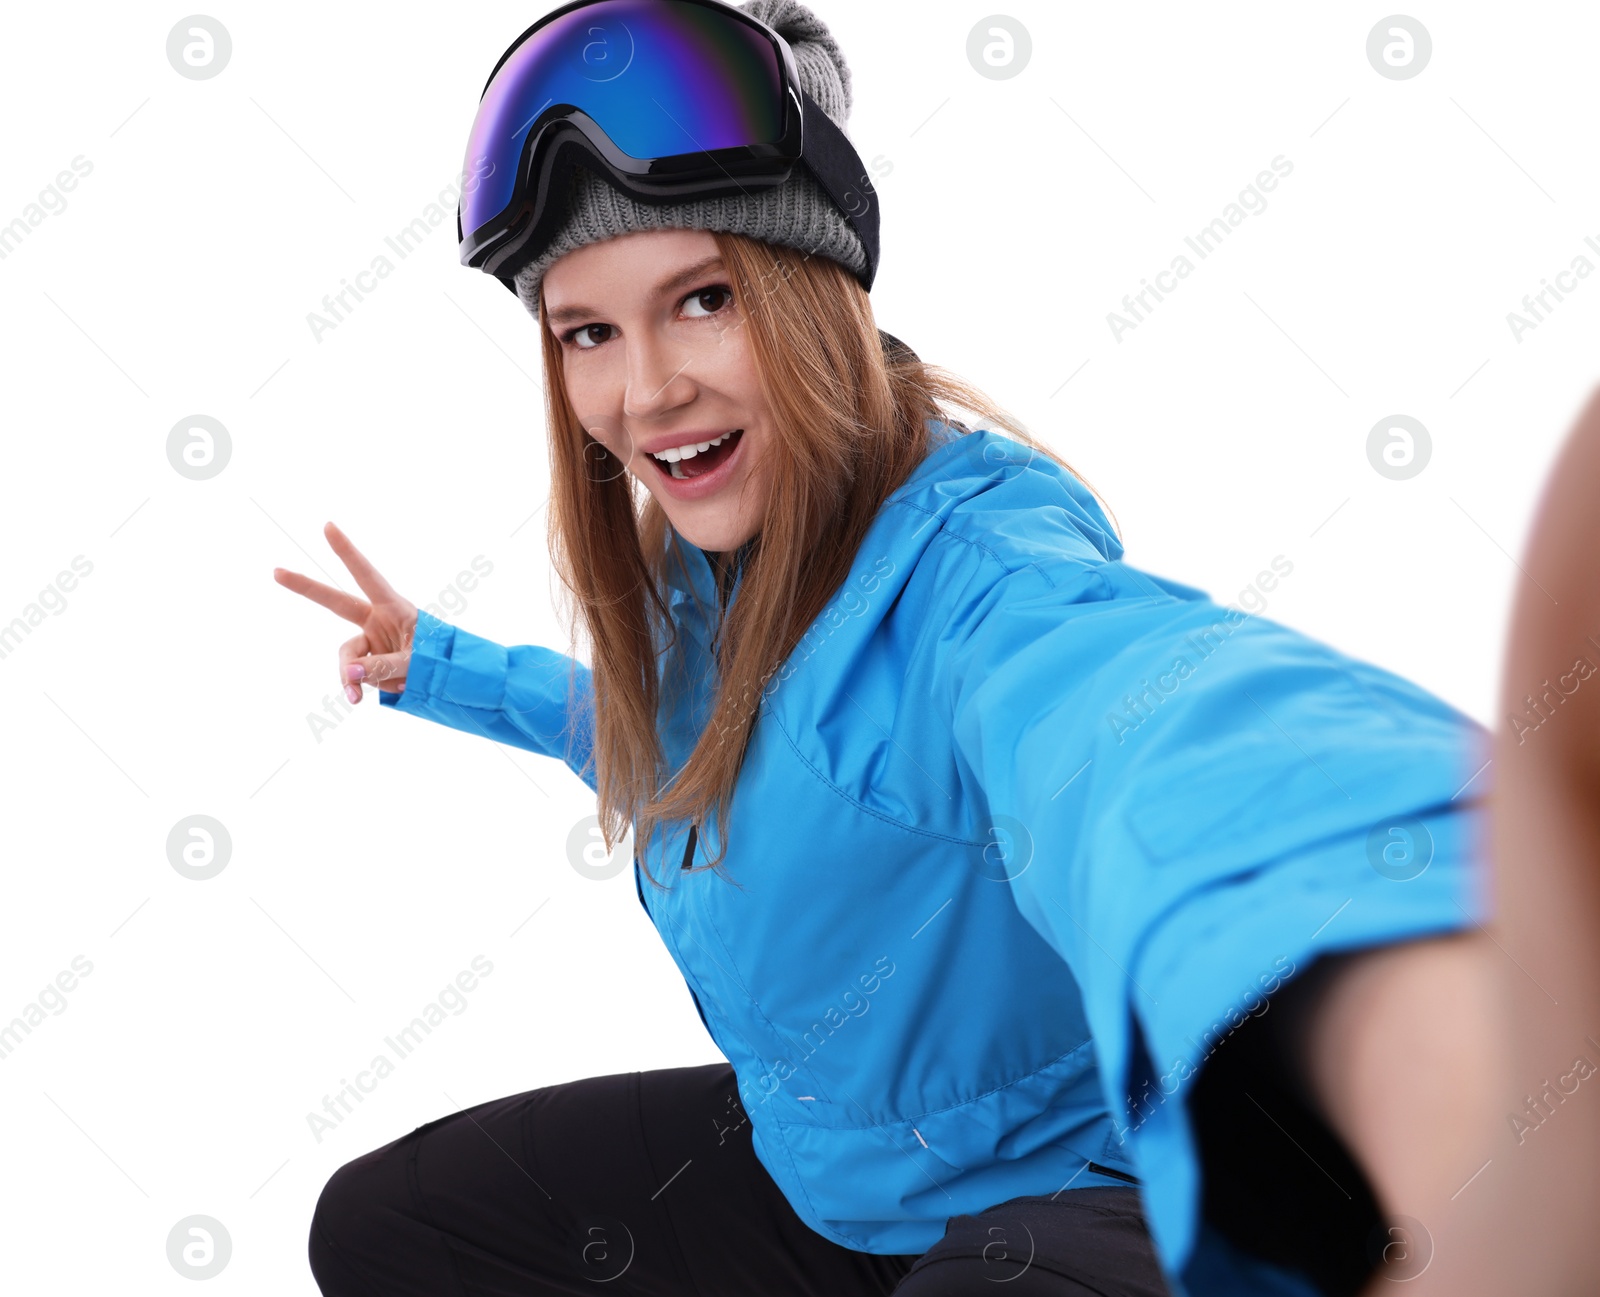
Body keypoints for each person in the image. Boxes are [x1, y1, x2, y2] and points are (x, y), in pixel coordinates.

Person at [275, 1, 1538, 1292]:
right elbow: (679, 745)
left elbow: (1149, 730)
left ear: (809, 291)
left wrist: (1430, 924)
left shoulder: (974, 580)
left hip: (1072, 1195)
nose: (645, 389)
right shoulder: (706, 575)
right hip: (839, 1180)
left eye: (701, 299)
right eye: (588, 331)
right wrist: (439, 665)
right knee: (393, 1224)